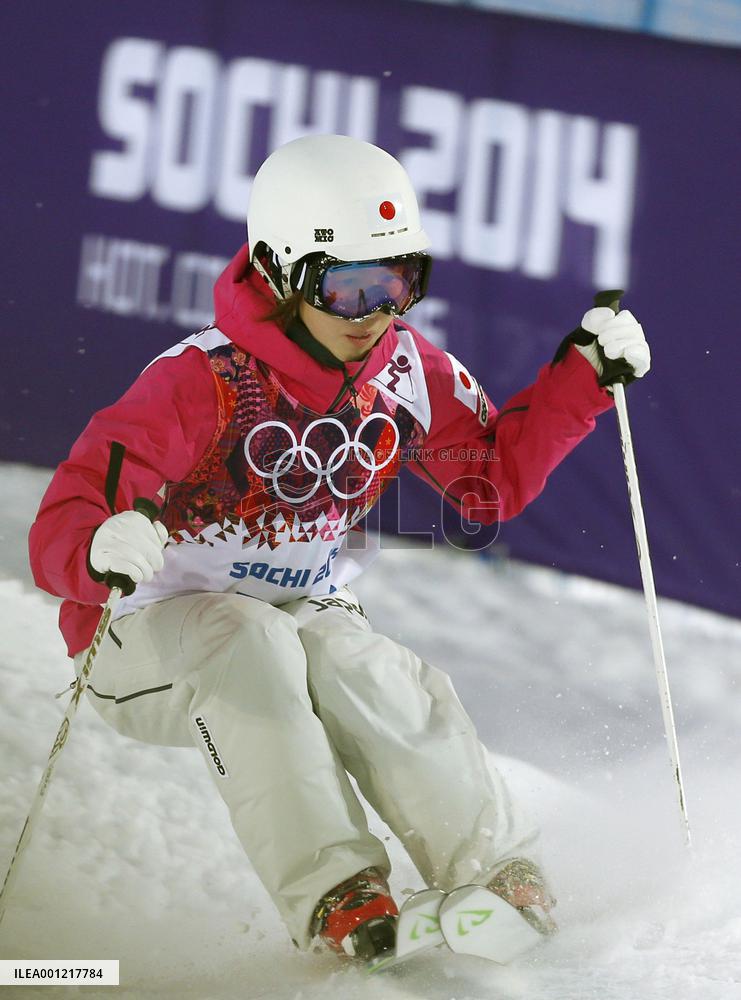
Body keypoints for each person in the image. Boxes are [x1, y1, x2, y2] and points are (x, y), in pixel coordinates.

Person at [29, 134, 650, 963]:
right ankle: (338, 896)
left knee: (357, 663)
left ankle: (494, 871)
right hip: (144, 634)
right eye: (347, 288)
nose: (375, 314)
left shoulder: (404, 367)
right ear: (282, 274)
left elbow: (487, 483)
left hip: (296, 606)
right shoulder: (198, 380)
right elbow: (67, 515)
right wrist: (99, 542)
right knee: (249, 642)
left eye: (397, 284)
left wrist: (580, 380)